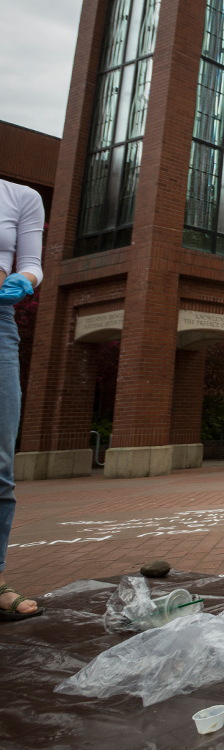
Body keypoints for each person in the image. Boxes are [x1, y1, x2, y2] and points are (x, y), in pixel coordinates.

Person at [0, 179, 44, 621]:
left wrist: (25, 280)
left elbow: (31, 262)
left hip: (0, 319)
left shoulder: (20, 197)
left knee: (0, 463)